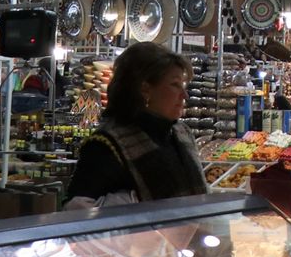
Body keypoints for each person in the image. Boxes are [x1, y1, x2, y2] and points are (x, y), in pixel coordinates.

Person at [63, 42, 207, 206]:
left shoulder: (182, 134)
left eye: (183, 85)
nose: (184, 95)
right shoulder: (107, 144)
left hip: (190, 230)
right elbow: (76, 209)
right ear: (145, 89)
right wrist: (128, 204)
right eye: (175, 85)